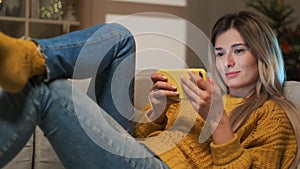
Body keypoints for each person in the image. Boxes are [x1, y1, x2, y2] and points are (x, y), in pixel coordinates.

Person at [0, 10, 299, 169]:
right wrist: (155, 112)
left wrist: (218, 120)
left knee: (49, 91)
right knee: (118, 36)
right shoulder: (203, 91)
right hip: (132, 148)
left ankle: (30, 60)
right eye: (220, 53)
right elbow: (141, 136)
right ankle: (32, 56)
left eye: (238, 50)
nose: (227, 62)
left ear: (262, 54)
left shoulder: (271, 116)